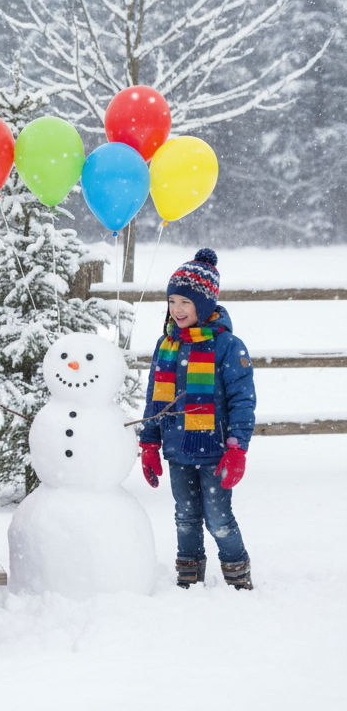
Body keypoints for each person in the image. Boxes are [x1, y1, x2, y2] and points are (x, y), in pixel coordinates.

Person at [138, 248, 256, 590]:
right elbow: (155, 400)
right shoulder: (167, 344)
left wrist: (237, 448)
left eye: (185, 302)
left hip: (216, 450)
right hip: (177, 449)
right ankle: (188, 579)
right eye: (172, 301)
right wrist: (149, 442)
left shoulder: (228, 346)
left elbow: (242, 401)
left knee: (219, 519)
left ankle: (238, 575)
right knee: (185, 518)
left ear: (203, 306)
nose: (176, 309)